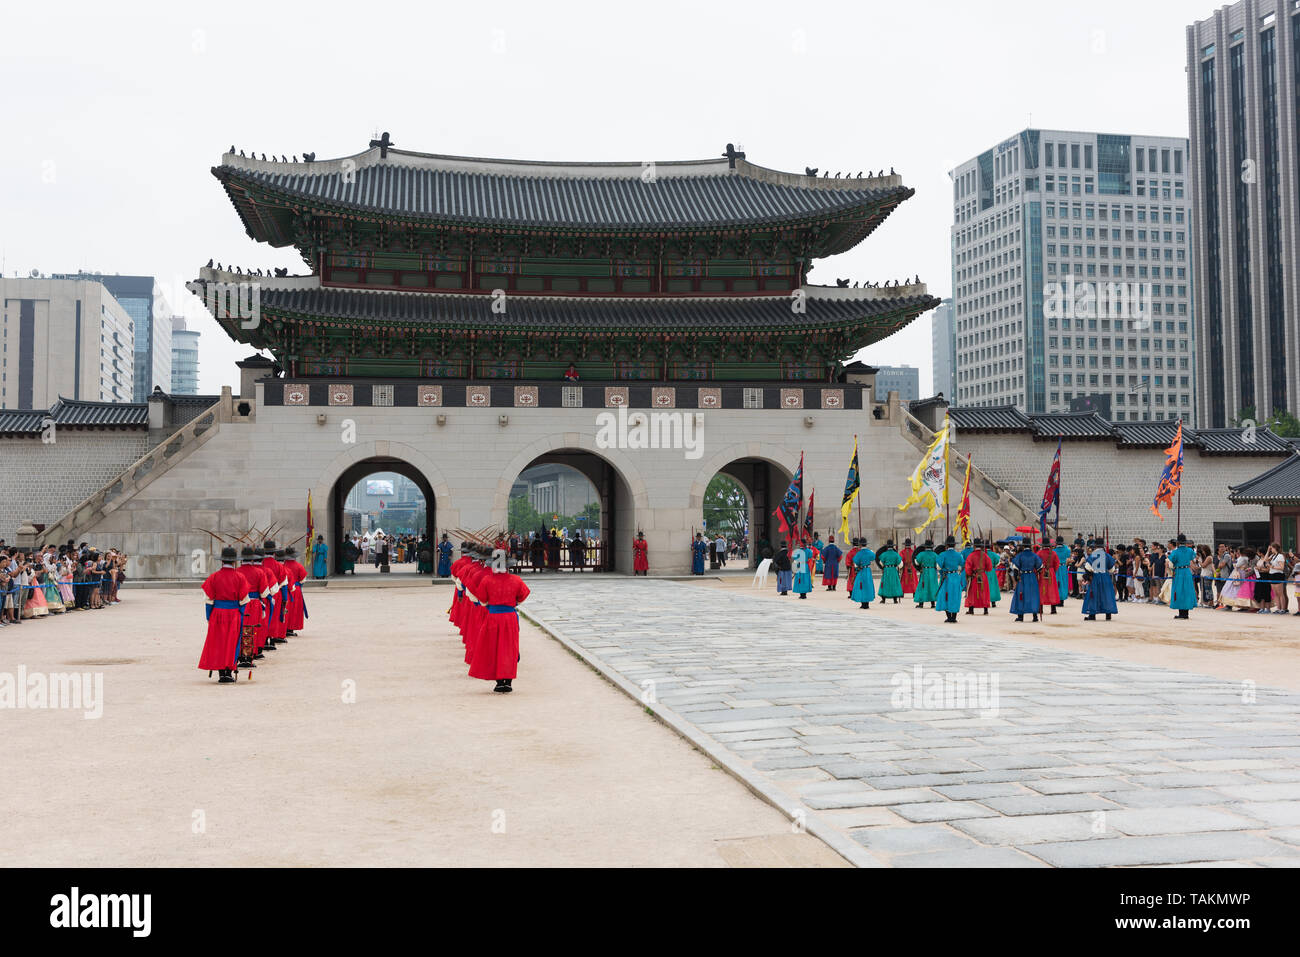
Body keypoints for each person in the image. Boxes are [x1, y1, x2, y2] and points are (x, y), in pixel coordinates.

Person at [468, 547, 531, 693]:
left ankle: (499, 682)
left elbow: (483, 601)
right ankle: (508, 681)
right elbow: (523, 597)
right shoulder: (516, 580)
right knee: (509, 648)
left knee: (494, 647)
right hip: (510, 618)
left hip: (493, 617)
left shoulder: (487, 580)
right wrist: (512, 604)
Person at [200, 546, 249, 684]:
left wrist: (209, 617)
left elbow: (208, 601)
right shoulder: (240, 577)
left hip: (217, 613)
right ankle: (228, 672)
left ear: (222, 561)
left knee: (218, 643)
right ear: (234, 562)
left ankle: (221, 673)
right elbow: (243, 601)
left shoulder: (213, 577)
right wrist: (241, 614)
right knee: (231, 642)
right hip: (234, 614)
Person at [1081, 540, 1119, 621]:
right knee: (1106, 594)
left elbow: (1087, 567)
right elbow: (1112, 569)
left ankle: (1092, 615)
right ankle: (1108, 614)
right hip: (1105, 577)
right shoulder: (1107, 555)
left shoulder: (1092, 556)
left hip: (1095, 577)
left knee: (1094, 595)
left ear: (1095, 546)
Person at [1009, 542, 1044, 623]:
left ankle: (1020, 617)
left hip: (1022, 577)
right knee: (1033, 595)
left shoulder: (1020, 555)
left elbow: (1015, 569)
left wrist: (1016, 578)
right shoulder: (1034, 555)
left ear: (1023, 546)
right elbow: (1040, 568)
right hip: (1032, 577)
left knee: (1021, 595)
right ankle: (1035, 616)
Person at [935, 537, 965, 623]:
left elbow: (938, 567)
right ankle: (954, 617)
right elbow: (962, 564)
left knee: (945, 596)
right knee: (955, 596)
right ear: (954, 545)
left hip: (946, 578)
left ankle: (949, 617)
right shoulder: (958, 555)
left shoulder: (943, 555)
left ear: (946, 545)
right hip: (955, 576)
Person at [1168, 533, 1197, 620]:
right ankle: (1186, 613)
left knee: (1179, 591)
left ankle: (1181, 613)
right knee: (1187, 591)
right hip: (1187, 571)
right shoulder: (1189, 550)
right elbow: (1193, 558)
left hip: (1179, 572)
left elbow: (1171, 561)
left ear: (1177, 543)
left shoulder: (1175, 552)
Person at [283, 546, 308, 637]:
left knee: (284, 609)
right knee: (294, 610)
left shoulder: (283, 566)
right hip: (295, 590)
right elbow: (303, 579)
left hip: (284, 590)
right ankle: (290, 628)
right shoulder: (299, 566)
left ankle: (284, 628)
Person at [964, 539, 993, 616]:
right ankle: (985, 610)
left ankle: (971, 610)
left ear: (974, 546)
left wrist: (970, 574)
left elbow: (967, 568)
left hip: (974, 576)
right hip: (983, 575)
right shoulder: (985, 555)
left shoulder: (971, 555)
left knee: (972, 592)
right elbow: (990, 567)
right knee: (984, 592)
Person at [1037, 539, 1062, 615]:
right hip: (1051, 572)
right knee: (1052, 589)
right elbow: (1057, 564)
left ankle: (1040, 608)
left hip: (1042, 572)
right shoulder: (1053, 553)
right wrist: (1053, 570)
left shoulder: (1039, 553)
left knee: (1041, 589)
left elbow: (1037, 564)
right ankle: (1053, 609)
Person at [851, 540, 876, 609]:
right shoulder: (870, 552)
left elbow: (855, 563)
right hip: (867, 570)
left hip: (861, 571)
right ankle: (867, 603)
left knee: (861, 586)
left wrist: (857, 568)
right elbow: (873, 557)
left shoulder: (859, 553)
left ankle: (863, 603)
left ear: (860, 545)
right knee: (868, 586)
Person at [912, 541, 938, 609]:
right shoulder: (935, 554)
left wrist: (920, 566)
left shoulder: (921, 554)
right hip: (932, 571)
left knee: (922, 586)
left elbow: (916, 562)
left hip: (925, 571)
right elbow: (938, 565)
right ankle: (933, 604)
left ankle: (921, 604)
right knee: (932, 586)